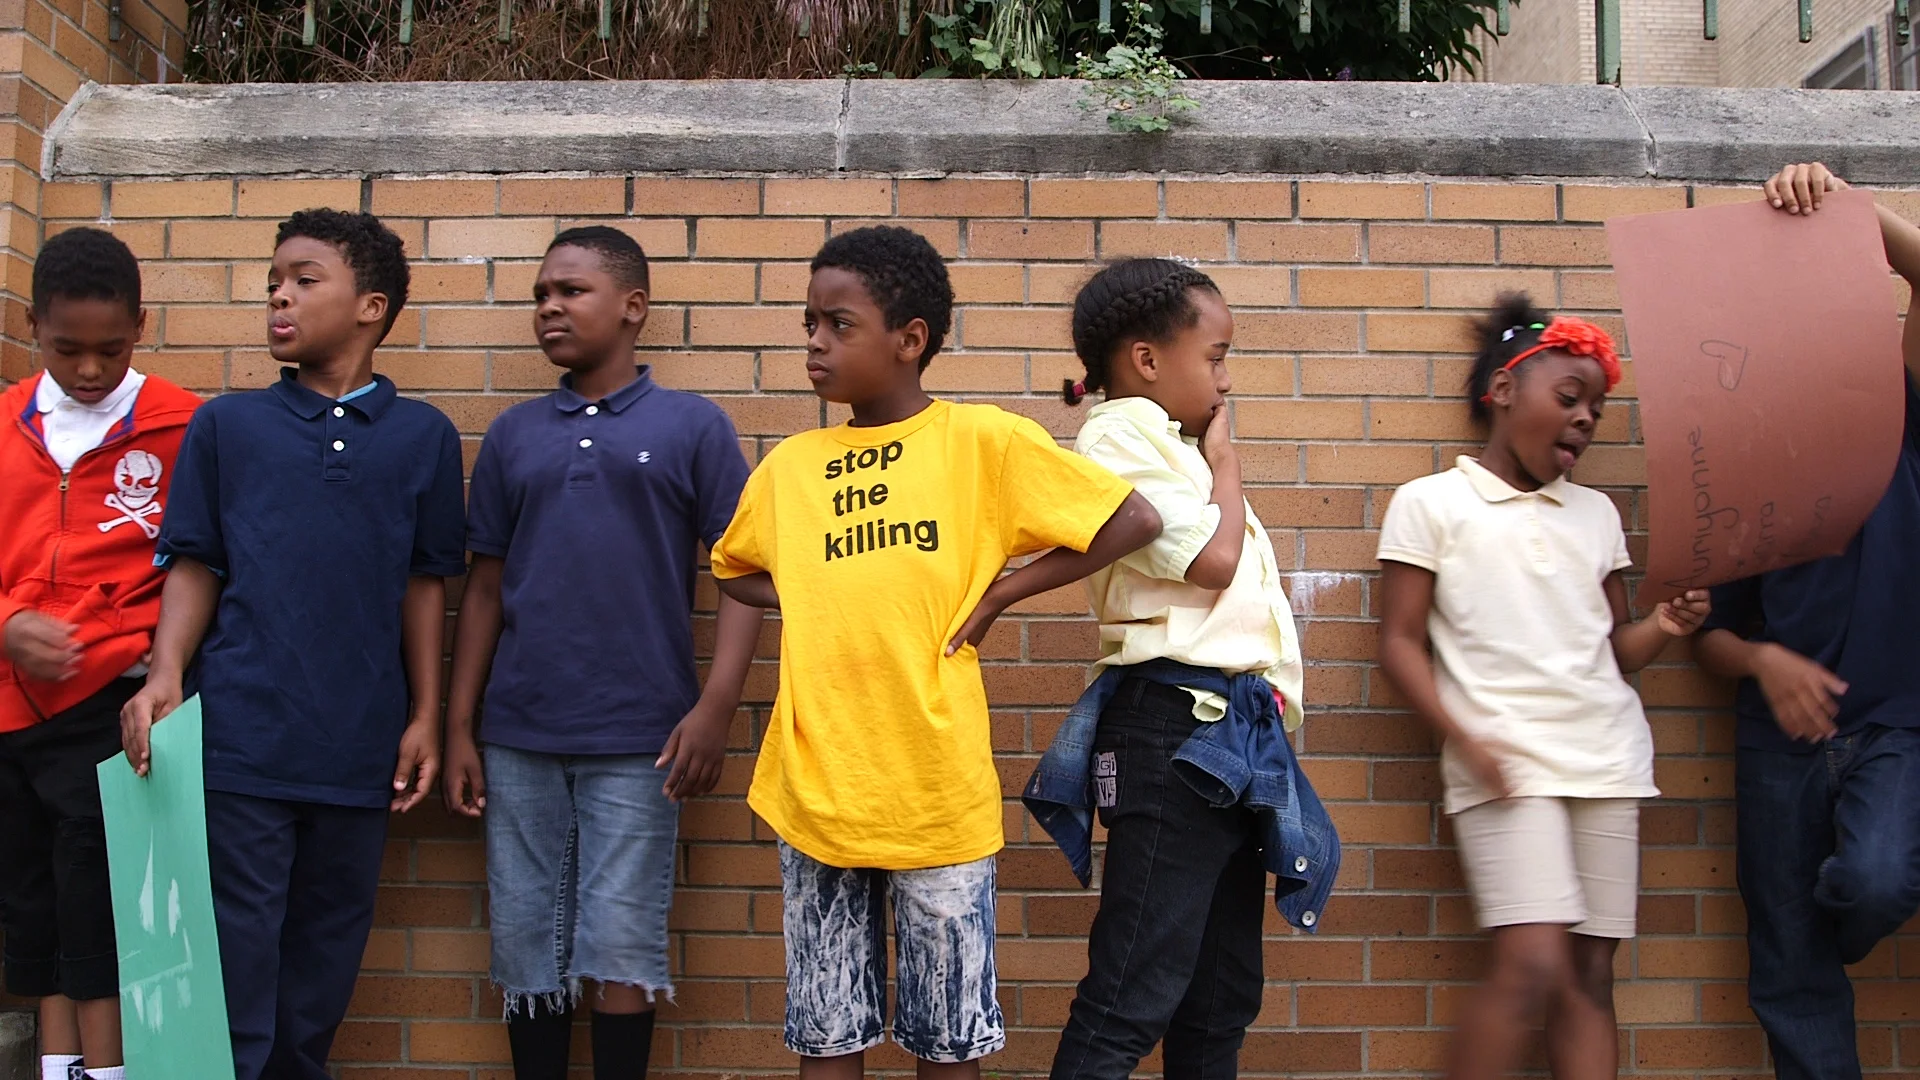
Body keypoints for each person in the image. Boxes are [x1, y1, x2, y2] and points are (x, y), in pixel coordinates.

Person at [707, 226, 1160, 1080]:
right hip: (818, 790)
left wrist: (1000, 593)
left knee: (949, 1042)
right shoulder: (791, 467)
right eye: (809, 323)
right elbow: (734, 569)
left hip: (936, 795)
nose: (814, 342)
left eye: (838, 324)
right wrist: (814, 592)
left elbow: (1132, 519)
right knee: (826, 1036)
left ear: (909, 338)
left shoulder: (982, 443)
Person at [119, 209, 466, 1080]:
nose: (280, 296)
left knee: (321, 972)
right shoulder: (227, 426)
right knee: (235, 969)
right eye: (274, 281)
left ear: (371, 307)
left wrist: (424, 715)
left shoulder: (424, 437)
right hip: (242, 742)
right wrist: (165, 674)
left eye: (305, 280)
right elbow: (197, 561)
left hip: (360, 749)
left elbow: (425, 584)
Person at [441, 226, 763, 1080]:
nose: (549, 307)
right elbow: (483, 588)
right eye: (540, 294)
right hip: (519, 733)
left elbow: (744, 572)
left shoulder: (693, 426)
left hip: (642, 735)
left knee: (621, 940)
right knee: (526, 942)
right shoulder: (513, 434)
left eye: (571, 291)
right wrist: (459, 727)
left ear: (633, 307)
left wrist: (716, 706)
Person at [1375, 294, 1712, 1080]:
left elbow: (1617, 650)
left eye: (1596, 408)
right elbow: (1398, 643)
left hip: (1607, 760)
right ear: (1502, 391)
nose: (1585, 418)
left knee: (1590, 975)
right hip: (1506, 763)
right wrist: (1465, 738)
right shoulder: (1431, 504)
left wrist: (1666, 624)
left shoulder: (1596, 515)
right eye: (1568, 398)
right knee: (1529, 964)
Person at [1027, 258, 1337, 1080]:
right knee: (1133, 992)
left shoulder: (1174, 448)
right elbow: (1212, 561)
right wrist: (1226, 462)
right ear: (1147, 359)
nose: (1226, 380)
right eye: (1217, 356)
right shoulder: (1120, 437)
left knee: (1218, 1001)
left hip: (1230, 734)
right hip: (1173, 730)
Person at [1692, 162, 1920, 1080]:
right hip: (1777, 744)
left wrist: (1846, 207)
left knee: (1873, 883)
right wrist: (1762, 663)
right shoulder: (1735, 456)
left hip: (1895, 726)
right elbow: (1709, 634)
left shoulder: (1901, 413)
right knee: (1787, 968)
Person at [0, 227, 201, 1080]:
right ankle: (59, 1070)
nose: (89, 369)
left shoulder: (185, 426)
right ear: (33, 326)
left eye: (111, 350)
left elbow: (200, 561)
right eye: (65, 349)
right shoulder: (5, 424)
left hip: (112, 710)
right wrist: (6, 623)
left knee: (102, 913)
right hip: (12, 712)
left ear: (141, 326)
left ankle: (109, 1071)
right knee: (34, 911)